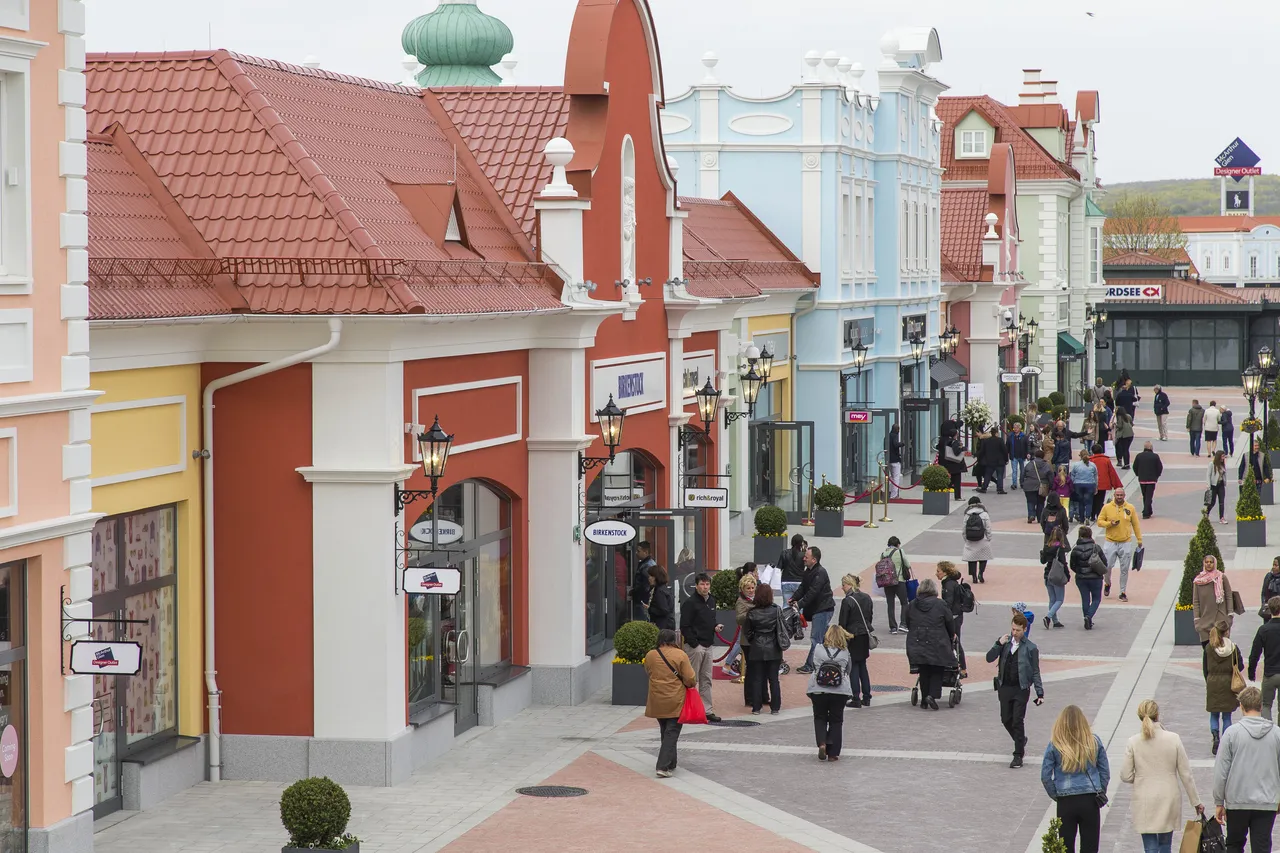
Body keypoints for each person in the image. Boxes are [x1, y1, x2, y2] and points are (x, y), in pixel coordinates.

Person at [1119, 699, 1204, 853]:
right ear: (1157, 715)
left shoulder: (1133, 742)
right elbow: (1186, 775)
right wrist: (1196, 801)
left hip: (1144, 797)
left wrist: (1140, 778)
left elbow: (1125, 775)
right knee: (1165, 845)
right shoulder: (1173, 738)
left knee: (1150, 848)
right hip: (1168, 796)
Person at [1212, 686, 1280, 850]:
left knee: (1234, 844)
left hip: (1237, 800)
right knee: (1262, 845)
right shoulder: (1276, 733)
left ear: (1241, 706)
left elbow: (1221, 771)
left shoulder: (1231, 733)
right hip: (1266, 800)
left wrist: (1219, 801)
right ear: (1260, 705)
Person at [1042, 705, 1110, 853]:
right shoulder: (1094, 741)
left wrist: (1056, 794)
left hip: (1066, 801)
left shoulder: (1055, 744)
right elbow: (1105, 771)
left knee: (1065, 847)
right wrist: (1100, 789)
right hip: (1090, 799)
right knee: (1090, 847)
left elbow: (1045, 776)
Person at [989, 612, 1045, 768]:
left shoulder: (1031, 648)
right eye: (1013, 629)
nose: (1015, 633)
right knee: (1005, 719)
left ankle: (1018, 754)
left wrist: (1040, 692)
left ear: (1025, 629)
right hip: (1005, 687)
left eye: (1018, 630)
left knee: (1017, 720)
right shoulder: (1005, 644)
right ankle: (1020, 740)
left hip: (1021, 688)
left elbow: (1035, 671)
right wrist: (998, 644)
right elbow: (989, 657)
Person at [643, 629, 696, 778]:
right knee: (672, 732)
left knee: (665, 730)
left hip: (657, 698)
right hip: (675, 699)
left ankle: (672, 762)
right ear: (674, 640)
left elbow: (648, 671)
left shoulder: (650, 655)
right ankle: (663, 766)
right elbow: (690, 678)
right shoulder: (680, 655)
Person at [904, 577, 957, 711]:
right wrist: (952, 634)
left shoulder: (912, 604)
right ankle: (932, 695)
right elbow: (950, 621)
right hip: (937, 642)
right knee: (937, 669)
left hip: (917, 642)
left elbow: (908, 622)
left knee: (924, 670)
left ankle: (923, 700)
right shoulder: (941, 604)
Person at [679, 572, 723, 723]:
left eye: (707, 584)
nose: (705, 587)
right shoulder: (690, 603)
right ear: (696, 586)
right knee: (692, 679)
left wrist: (715, 626)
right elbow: (684, 626)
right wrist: (694, 644)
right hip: (695, 647)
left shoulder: (711, 600)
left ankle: (707, 710)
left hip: (708, 644)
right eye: (702, 584)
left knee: (706, 679)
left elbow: (710, 619)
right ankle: (687, 709)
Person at [806, 623, 853, 761]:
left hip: (818, 689)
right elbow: (848, 670)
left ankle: (822, 743)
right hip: (840, 690)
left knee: (820, 717)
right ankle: (833, 753)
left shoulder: (819, 649)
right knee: (836, 720)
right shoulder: (845, 652)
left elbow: (813, 665)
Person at [790, 546, 835, 675]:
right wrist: (794, 598)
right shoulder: (808, 571)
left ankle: (810, 665)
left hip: (823, 609)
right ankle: (826, 661)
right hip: (818, 609)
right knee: (821, 638)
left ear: (814, 560)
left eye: (806, 557)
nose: (803, 558)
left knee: (816, 639)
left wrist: (799, 604)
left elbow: (812, 592)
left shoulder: (820, 572)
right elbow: (803, 587)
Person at [1204, 620, 1245, 755]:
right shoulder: (1233, 648)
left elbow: (1205, 669)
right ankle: (1226, 741)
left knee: (1214, 714)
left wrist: (1209, 681)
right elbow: (1240, 666)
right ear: (1227, 631)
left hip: (1213, 683)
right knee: (1227, 715)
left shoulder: (1209, 648)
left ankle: (1215, 737)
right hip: (1228, 684)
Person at [742, 583, 784, 715]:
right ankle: (775, 707)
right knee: (773, 679)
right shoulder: (776, 610)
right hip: (773, 647)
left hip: (757, 647)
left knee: (757, 678)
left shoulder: (752, 612)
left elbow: (747, 631)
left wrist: (754, 640)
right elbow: (781, 628)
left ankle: (756, 707)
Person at [1098, 487, 1143, 602]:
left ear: (1124, 495)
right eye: (1117, 495)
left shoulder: (1130, 508)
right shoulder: (1107, 507)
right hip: (1110, 541)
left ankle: (1122, 592)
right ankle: (1107, 583)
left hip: (1125, 542)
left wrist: (1139, 539)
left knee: (1124, 569)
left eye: (1121, 495)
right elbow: (1099, 522)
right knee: (1107, 566)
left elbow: (1136, 524)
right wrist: (1109, 524)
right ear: (1114, 495)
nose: (1119, 497)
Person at [838, 573, 873, 708]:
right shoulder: (867, 597)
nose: (842, 588)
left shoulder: (848, 601)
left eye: (844, 585)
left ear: (850, 585)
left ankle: (856, 697)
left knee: (854, 667)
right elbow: (869, 617)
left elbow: (842, 623)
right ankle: (867, 696)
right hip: (864, 635)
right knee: (863, 665)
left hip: (852, 636)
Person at [1193, 555, 1237, 647]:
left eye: (1211, 562)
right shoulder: (1198, 581)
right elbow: (1196, 601)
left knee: (1222, 650)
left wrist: (1230, 615)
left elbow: (1229, 596)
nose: (1209, 564)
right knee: (1207, 652)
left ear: (1215, 563)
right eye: (1207, 562)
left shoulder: (1221, 577)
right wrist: (1197, 621)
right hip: (1204, 623)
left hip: (1221, 621)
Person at [1248, 597, 1280, 720]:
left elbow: (1255, 653)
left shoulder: (1264, 629)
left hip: (1270, 673)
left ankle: (1268, 731)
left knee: (1266, 705)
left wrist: (1252, 672)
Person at [723, 573, 757, 682]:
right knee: (739, 644)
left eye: (752, 587)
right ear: (743, 589)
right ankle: (727, 665)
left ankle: (729, 665)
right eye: (748, 588)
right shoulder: (741, 601)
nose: (751, 590)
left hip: (755, 630)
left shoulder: (756, 597)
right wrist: (752, 613)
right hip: (746, 629)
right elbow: (739, 618)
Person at [938, 561, 969, 679]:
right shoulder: (950, 582)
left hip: (954, 618)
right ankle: (956, 666)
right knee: (954, 642)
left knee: (955, 642)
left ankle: (963, 669)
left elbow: (948, 603)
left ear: (945, 572)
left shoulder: (949, 584)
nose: (936, 573)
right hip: (957, 616)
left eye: (938, 571)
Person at [1071, 526, 1106, 630]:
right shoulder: (1096, 547)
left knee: (1085, 599)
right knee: (1096, 599)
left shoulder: (1075, 549)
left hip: (1081, 578)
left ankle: (1087, 619)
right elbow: (1104, 562)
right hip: (1095, 578)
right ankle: (1088, 616)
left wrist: (1079, 571)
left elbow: (1072, 565)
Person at [878, 536, 911, 634]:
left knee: (890, 604)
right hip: (899, 581)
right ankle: (903, 624)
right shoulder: (900, 552)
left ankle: (893, 627)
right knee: (904, 602)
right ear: (898, 544)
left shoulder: (883, 554)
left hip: (887, 582)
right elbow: (908, 565)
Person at [1041, 527, 1071, 629]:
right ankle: (1048, 617)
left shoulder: (1047, 547)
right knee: (1059, 599)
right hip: (1057, 575)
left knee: (1052, 599)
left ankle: (1055, 621)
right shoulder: (1060, 549)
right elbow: (1063, 563)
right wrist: (1068, 575)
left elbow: (1043, 561)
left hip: (1047, 575)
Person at [961, 495, 993, 584]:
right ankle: (981, 573)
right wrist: (989, 538)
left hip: (970, 539)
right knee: (984, 557)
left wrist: (966, 539)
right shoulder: (984, 514)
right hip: (982, 539)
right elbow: (988, 527)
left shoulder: (967, 514)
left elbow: (963, 529)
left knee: (971, 559)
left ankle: (974, 576)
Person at [1088, 443, 1122, 524]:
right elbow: (1112, 473)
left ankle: (1092, 515)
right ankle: (1099, 515)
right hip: (1103, 484)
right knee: (1100, 500)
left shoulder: (1090, 460)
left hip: (1092, 484)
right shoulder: (1106, 460)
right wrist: (1117, 485)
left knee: (1092, 500)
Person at [1132, 441, 1164, 519]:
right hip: (1152, 479)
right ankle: (1146, 512)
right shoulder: (1155, 456)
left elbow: (1134, 466)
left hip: (1142, 479)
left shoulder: (1139, 456)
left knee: (1145, 495)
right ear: (1151, 447)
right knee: (1149, 496)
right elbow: (1160, 467)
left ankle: (1148, 510)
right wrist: (1157, 475)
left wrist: (1138, 474)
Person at [1023, 448, 1054, 524]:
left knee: (1030, 501)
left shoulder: (1029, 464)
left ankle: (1031, 515)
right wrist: (1051, 486)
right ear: (1043, 456)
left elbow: (1022, 475)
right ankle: (1040, 517)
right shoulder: (1046, 465)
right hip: (1042, 485)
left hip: (1029, 485)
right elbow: (1050, 476)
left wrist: (1022, 483)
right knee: (1040, 502)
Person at [1069, 448, 1098, 525]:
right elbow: (1095, 476)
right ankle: (1087, 517)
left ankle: (1081, 519)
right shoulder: (1092, 465)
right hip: (1090, 484)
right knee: (1089, 502)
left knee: (1080, 502)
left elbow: (1072, 476)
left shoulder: (1076, 465)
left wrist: (1073, 485)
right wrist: (1096, 486)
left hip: (1078, 484)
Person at [977, 426, 1010, 494]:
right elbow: (1005, 450)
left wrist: (977, 455)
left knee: (988, 475)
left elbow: (982, 451)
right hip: (1000, 461)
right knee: (1000, 475)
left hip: (990, 461)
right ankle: (1000, 489)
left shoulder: (986, 441)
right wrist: (1006, 459)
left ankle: (984, 488)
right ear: (996, 433)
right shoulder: (1000, 440)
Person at [630, 540, 657, 620]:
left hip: (642, 600)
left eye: (638, 551)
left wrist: (634, 592)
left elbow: (646, 586)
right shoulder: (649, 563)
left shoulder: (646, 566)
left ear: (645, 552)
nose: (636, 553)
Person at [776, 533, 807, 601]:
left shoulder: (784, 553)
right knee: (799, 606)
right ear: (801, 543)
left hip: (786, 581)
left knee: (786, 605)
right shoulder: (803, 555)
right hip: (799, 581)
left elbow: (779, 568)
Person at [644, 564, 675, 630]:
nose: (649, 578)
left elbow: (664, 610)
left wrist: (650, 609)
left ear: (656, 577)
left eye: (651, 576)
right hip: (668, 624)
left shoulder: (659, 591)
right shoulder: (665, 588)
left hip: (662, 625)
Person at [940, 428, 967, 500]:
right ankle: (957, 496)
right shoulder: (955, 442)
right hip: (956, 465)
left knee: (950, 481)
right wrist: (962, 448)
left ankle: (942, 493)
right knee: (957, 482)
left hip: (949, 464)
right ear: (955, 435)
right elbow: (956, 452)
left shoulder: (947, 441)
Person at [1007, 419, 1030, 491]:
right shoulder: (1010, 436)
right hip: (1014, 456)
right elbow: (1007, 446)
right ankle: (1014, 484)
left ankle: (1022, 483)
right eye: (1014, 427)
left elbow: (1027, 445)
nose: (1015, 429)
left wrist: (1028, 453)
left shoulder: (1024, 436)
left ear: (1020, 428)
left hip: (1022, 456)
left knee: (1022, 471)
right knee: (1014, 471)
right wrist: (1007, 454)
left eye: (1017, 427)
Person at [1208, 450, 1229, 525]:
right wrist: (1208, 485)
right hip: (1214, 485)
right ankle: (1206, 514)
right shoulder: (1212, 464)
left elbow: (1224, 474)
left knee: (1221, 502)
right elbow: (1208, 475)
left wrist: (1225, 482)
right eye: (1222, 456)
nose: (1223, 458)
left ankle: (1221, 517)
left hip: (1221, 484)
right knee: (1212, 502)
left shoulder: (1222, 464)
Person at [1262, 558, 1280, 624]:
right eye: (1273, 565)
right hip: (1269, 609)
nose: (1273, 567)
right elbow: (1264, 593)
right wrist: (1264, 604)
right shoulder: (1268, 576)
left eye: (1276, 565)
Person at [888, 423, 903, 499]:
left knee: (891, 477)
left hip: (888, 460)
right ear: (897, 429)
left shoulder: (887, 436)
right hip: (895, 460)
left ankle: (890, 492)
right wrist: (902, 444)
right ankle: (894, 495)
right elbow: (896, 444)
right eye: (898, 429)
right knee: (896, 477)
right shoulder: (894, 436)